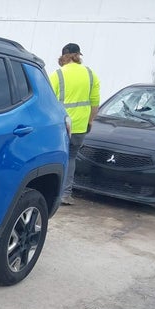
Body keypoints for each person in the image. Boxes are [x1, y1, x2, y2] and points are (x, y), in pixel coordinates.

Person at [49, 43, 100, 205]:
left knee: (54, 158)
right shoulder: (91, 75)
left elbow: (48, 102)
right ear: (77, 56)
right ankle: (65, 194)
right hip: (79, 127)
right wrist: (90, 121)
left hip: (60, 126)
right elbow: (95, 104)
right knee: (71, 157)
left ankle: (51, 193)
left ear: (64, 56)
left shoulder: (57, 75)